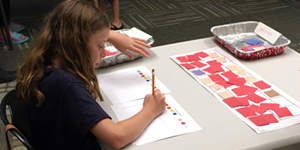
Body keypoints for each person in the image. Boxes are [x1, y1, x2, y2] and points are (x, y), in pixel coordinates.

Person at [16, 0, 165, 149]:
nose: (104, 52)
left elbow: (75, 28)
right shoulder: (67, 86)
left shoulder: (45, 59)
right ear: (77, 45)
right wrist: (151, 109)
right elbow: (116, 138)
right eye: (100, 45)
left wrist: (110, 36)